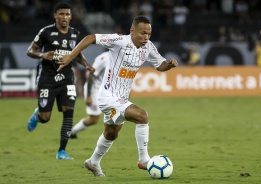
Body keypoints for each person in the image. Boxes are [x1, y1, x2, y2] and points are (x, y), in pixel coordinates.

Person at [59, 15, 178, 176]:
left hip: (121, 98)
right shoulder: (119, 41)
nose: (146, 37)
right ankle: (144, 159)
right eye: (142, 33)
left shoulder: (148, 47)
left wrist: (169, 66)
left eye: (149, 34)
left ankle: (93, 162)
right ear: (132, 31)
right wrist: (71, 57)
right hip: (107, 96)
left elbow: (160, 65)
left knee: (111, 133)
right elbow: (90, 37)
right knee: (142, 116)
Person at [26, 2, 94, 160]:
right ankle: (38, 115)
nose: (65, 17)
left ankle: (61, 151)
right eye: (62, 14)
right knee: (45, 118)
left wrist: (86, 64)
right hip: (47, 79)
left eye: (68, 14)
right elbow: (30, 50)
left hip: (67, 79)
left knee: (68, 112)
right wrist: (43, 55)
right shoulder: (46, 32)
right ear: (55, 15)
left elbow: (77, 54)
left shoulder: (75, 34)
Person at [70, 51, 109, 139]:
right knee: (94, 119)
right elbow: (91, 75)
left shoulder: (120, 58)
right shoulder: (104, 58)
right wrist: (88, 96)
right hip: (94, 90)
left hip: (106, 91)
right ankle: (72, 132)